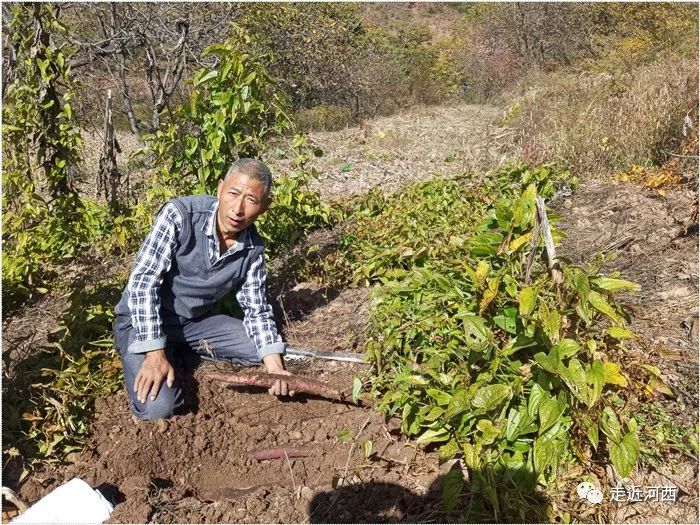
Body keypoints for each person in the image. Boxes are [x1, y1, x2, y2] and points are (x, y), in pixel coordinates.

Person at [114, 158, 292, 421]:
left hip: (194, 323)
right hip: (142, 321)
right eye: (233, 194)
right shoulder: (180, 215)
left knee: (263, 351)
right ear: (220, 189)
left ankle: (179, 352)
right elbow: (143, 284)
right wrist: (154, 353)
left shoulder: (253, 248)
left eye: (251, 201)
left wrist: (275, 368)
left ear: (264, 207)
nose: (238, 209)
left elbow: (257, 310)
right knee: (159, 409)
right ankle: (159, 355)